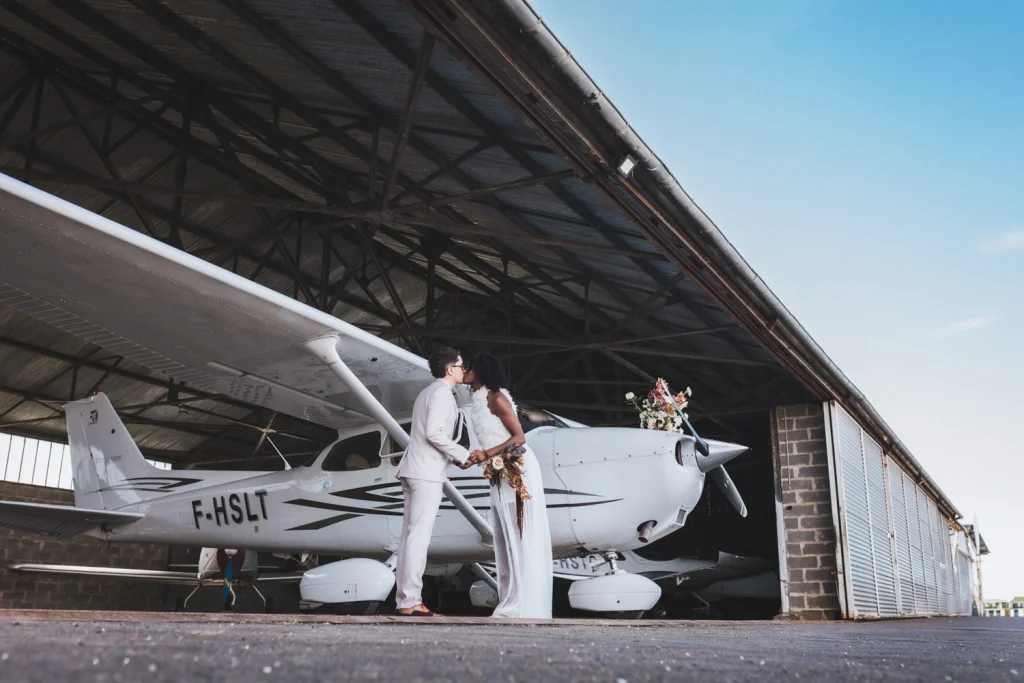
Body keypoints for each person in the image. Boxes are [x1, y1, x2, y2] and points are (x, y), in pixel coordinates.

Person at [462, 352, 553, 618]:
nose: (465, 371)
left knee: (519, 534)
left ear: (480, 370)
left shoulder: (496, 398)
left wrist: (487, 454)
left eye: (469, 367)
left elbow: (519, 437)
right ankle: (511, 598)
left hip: (516, 467)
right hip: (500, 470)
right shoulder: (479, 400)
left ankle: (523, 602)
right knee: (505, 537)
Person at [393, 346, 482, 616]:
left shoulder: (428, 392)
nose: (463, 369)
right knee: (417, 539)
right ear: (449, 368)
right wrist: (463, 455)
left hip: (415, 469)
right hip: (426, 473)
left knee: (409, 538)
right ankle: (410, 601)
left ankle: (406, 600)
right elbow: (435, 433)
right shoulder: (442, 394)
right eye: (460, 364)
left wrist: (453, 457)